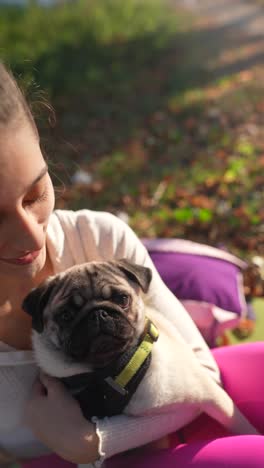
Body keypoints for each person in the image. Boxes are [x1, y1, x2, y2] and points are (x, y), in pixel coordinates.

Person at [0, 60, 263, 468]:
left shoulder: (99, 238)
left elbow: (203, 379)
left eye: (35, 194)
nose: (30, 236)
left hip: (175, 409)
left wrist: (94, 441)